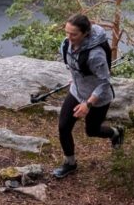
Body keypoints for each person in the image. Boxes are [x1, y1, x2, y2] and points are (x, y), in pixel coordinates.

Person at [53, 14, 124, 179]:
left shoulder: (95, 55)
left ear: (85, 33)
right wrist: (76, 77)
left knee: (92, 131)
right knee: (63, 127)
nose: (69, 38)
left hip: (98, 99)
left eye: (74, 34)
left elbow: (105, 82)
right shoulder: (66, 44)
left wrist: (88, 104)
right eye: (67, 33)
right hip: (77, 92)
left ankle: (115, 133)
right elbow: (73, 64)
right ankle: (70, 163)